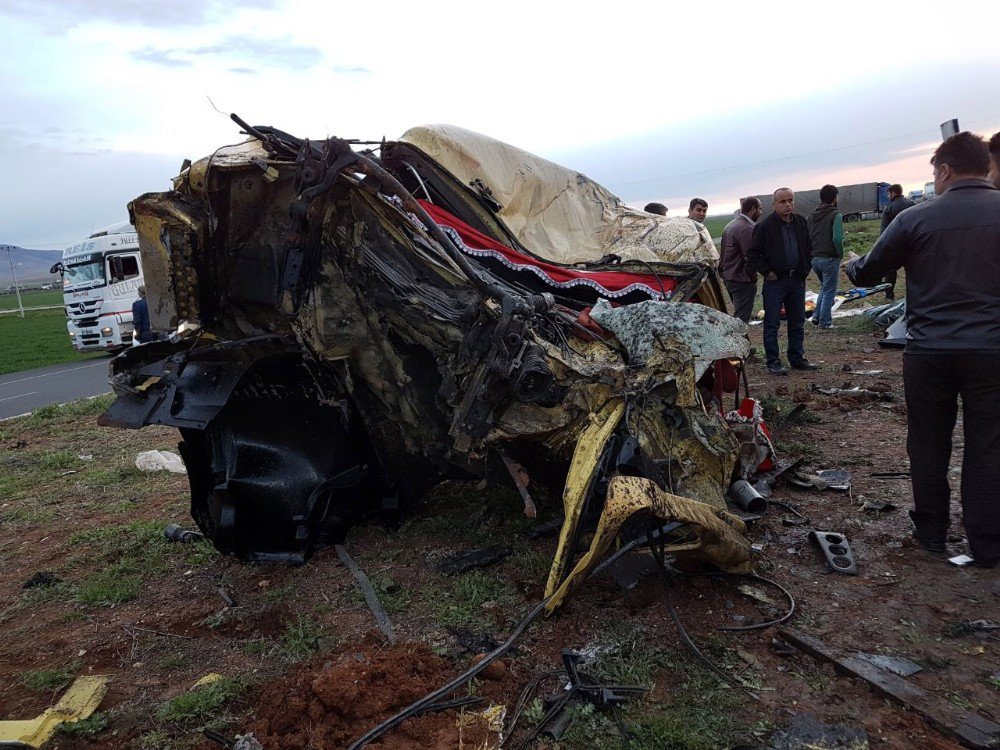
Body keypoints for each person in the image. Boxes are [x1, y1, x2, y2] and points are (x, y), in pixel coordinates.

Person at [844, 131, 1000, 568]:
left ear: (945, 170)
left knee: (928, 443)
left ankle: (931, 534)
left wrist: (851, 266)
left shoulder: (916, 218)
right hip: (992, 352)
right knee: (989, 446)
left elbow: (870, 271)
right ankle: (987, 544)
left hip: (929, 351)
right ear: (985, 168)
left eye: (935, 172)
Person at [746, 188, 818, 375]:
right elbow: (752, 255)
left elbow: (808, 247)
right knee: (772, 323)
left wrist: (805, 268)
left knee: (797, 321)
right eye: (783, 201)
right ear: (774, 205)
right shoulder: (764, 227)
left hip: (797, 280)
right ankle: (773, 362)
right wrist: (767, 272)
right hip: (776, 282)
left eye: (790, 200)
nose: (787, 204)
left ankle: (797, 358)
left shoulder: (800, 222)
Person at [807, 184, 844, 329]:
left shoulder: (812, 215)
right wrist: (839, 254)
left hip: (815, 259)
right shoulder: (836, 215)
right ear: (834, 198)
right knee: (830, 291)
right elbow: (837, 239)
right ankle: (825, 322)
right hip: (829, 258)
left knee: (824, 288)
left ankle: (816, 316)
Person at [720, 196, 762, 322]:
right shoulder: (747, 228)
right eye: (760, 209)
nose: (761, 212)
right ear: (753, 209)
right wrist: (752, 278)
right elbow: (750, 257)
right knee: (741, 320)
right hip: (741, 279)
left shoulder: (731, 225)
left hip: (729, 277)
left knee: (739, 316)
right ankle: (737, 341)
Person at [878, 184, 916, 300]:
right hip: (912, 244)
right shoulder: (912, 205)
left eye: (888, 194)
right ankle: (913, 295)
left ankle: (889, 295)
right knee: (913, 270)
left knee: (890, 271)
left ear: (893, 193)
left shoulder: (888, 208)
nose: (888, 196)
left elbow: (884, 231)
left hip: (895, 246)